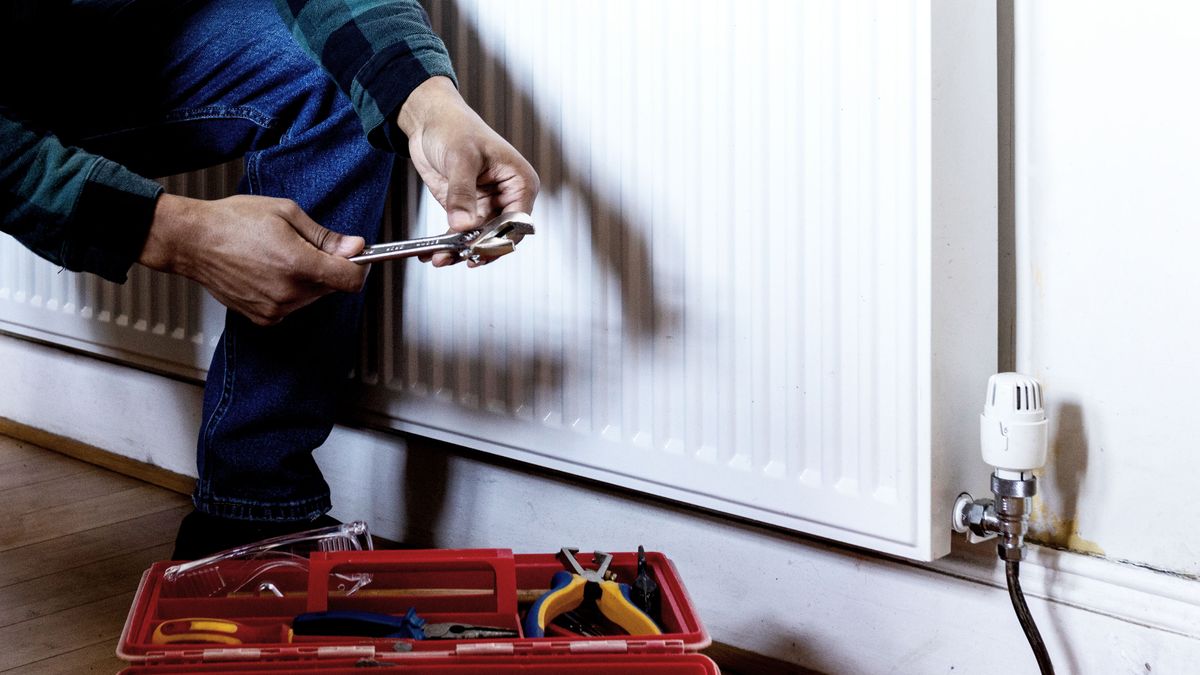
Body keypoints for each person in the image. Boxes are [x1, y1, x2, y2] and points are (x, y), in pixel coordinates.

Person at [0, 0, 539, 558]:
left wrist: (427, 101)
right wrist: (168, 232)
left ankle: (252, 512)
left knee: (338, 76)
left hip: (76, 40)